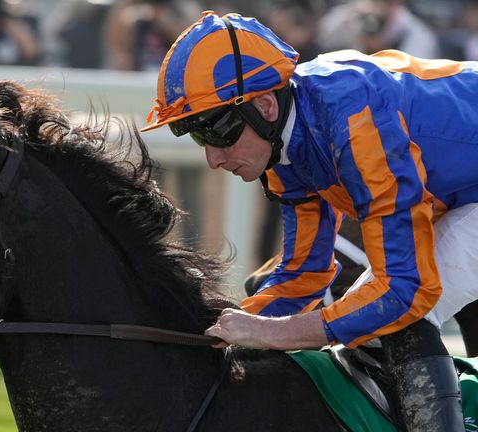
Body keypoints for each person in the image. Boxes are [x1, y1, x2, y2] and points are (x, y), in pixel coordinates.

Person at [142, 11, 477, 431]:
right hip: (461, 191)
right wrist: (220, 328)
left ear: (264, 105)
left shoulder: (355, 122)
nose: (212, 158)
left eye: (217, 131)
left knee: (396, 316)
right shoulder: (284, 139)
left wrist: (277, 334)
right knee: (345, 309)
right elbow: (304, 274)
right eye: (195, 135)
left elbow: (405, 291)